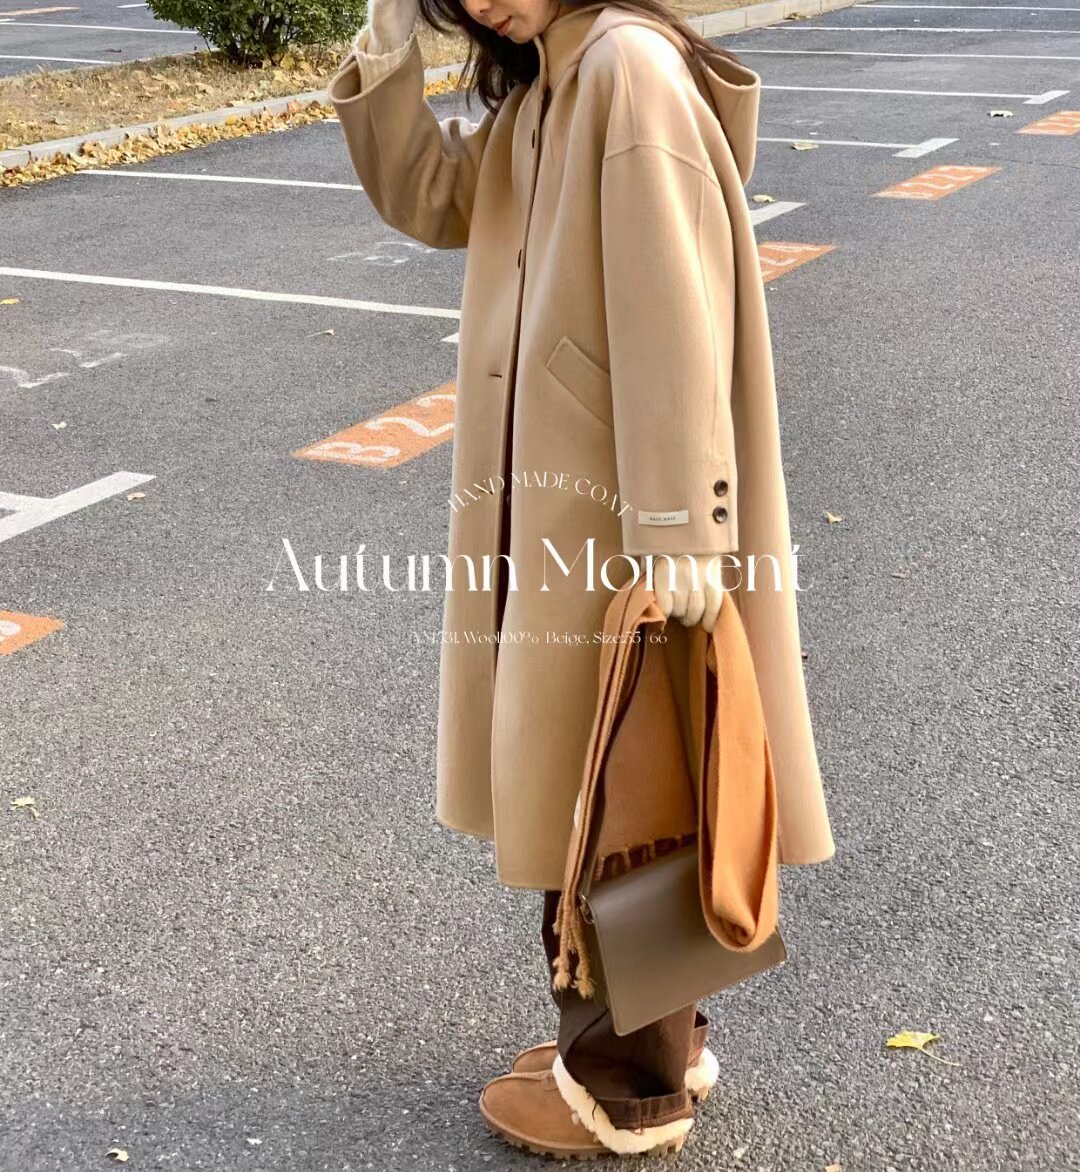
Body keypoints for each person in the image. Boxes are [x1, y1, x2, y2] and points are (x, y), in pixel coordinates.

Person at [328, 0, 835, 1158]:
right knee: (606, 772)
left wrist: (681, 527)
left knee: (623, 786)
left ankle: (629, 1087)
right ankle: (647, 1044)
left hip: (617, 518)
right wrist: (388, 32)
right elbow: (427, 193)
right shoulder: (554, 81)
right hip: (574, 506)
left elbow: (673, 308)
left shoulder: (622, 68)